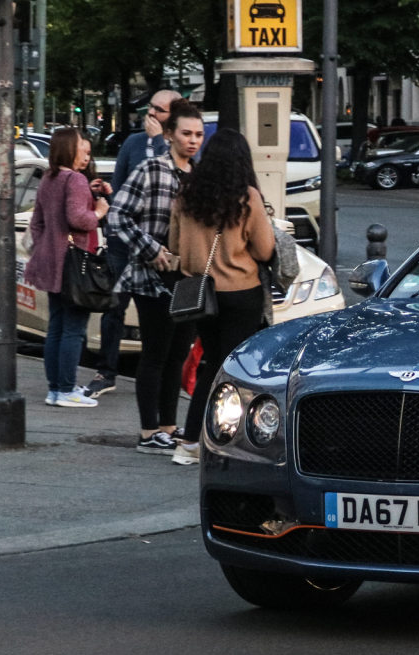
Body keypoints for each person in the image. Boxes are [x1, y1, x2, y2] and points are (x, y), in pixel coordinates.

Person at [169, 129, 276, 466]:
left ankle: (191, 441)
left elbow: (174, 246)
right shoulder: (247, 198)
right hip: (241, 294)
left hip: (202, 296)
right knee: (239, 372)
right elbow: (265, 249)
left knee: (211, 365)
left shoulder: (186, 194)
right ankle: (223, 443)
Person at [107, 98, 205, 454]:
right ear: (169, 134)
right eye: (186, 133)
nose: (193, 140)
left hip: (189, 276)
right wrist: (151, 250)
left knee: (179, 352)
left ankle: (168, 425)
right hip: (153, 276)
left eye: (198, 134)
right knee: (155, 353)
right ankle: (148, 432)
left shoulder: (199, 176)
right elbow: (117, 215)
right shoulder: (151, 169)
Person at [84, 89, 181, 399]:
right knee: (114, 307)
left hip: (158, 245)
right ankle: (106, 371)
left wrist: (156, 143)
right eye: (149, 107)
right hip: (126, 241)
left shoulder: (176, 146)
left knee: (161, 313)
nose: (150, 114)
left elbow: (166, 184)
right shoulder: (133, 142)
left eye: (158, 110)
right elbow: (123, 191)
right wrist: (107, 196)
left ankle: (161, 376)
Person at [24, 128, 110, 408]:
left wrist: (48, 244)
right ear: (69, 149)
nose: (85, 154)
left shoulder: (49, 178)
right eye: (81, 148)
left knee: (56, 328)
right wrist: (98, 212)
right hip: (75, 265)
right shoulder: (73, 179)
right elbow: (79, 218)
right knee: (74, 329)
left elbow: (37, 222)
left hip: (51, 263)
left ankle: (54, 389)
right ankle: (67, 389)